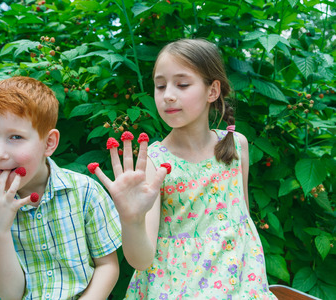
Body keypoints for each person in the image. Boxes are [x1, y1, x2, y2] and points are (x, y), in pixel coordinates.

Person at [91, 39, 277, 299]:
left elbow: (242, 222)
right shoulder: (155, 163)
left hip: (241, 285)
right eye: (160, 85)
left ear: (212, 91)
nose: (167, 94)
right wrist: (131, 220)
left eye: (182, 84)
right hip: (176, 288)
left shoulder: (237, 147)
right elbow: (142, 260)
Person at [0, 76, 122, 300]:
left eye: (15, 137)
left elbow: (108, 266)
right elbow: (10, 293)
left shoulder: (85, 192)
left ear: (49, 143)